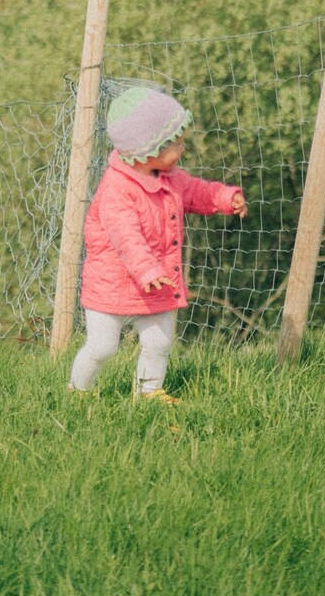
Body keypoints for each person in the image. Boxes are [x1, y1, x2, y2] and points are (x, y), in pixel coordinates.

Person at [68, 84, 245, 399]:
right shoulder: (117, 189)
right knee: (102, 347)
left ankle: (149, 392)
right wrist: (147, 270)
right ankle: (77, 389)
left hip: (156, 284)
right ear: (149, 149)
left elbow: (197, 191)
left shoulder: (171, 178)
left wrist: (224, 197)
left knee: (159, 343)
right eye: (176, 143)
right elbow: (126, 238)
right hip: (113, 287)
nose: (183, 149)